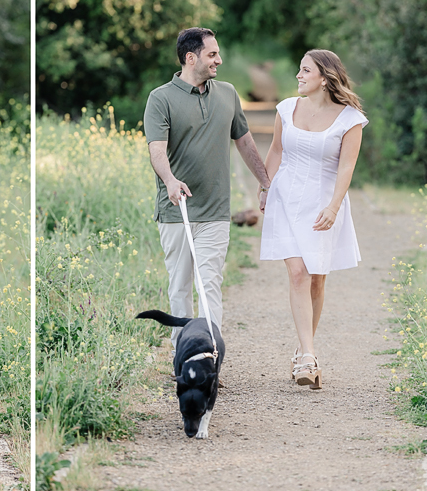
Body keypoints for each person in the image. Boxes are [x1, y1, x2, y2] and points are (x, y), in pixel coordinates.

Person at [144, 27, 270, 342]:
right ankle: (183, 354)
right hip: (177, 210)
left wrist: (266, 182)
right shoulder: (161, 98)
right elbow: (157, 150)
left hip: (215, 210)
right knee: (180, 286)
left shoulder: (227, 93)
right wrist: (170, 180)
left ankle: (210, 354)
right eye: (212, 54)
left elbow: (245, 141)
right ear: (191, 58)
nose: (219, 60)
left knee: (209, 282)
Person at [259, 49, 367, 389]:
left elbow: (346, 167)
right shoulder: (286, 109)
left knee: (317, 279)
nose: (298, 76)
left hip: (323, 201)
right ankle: (307, 355)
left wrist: (334, 207)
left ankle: (303, 349)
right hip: (286, 197)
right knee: (298, 273)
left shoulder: (350, 119)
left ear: (324, 77)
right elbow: (276, 150)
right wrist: (264, 186)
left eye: (305, 71)